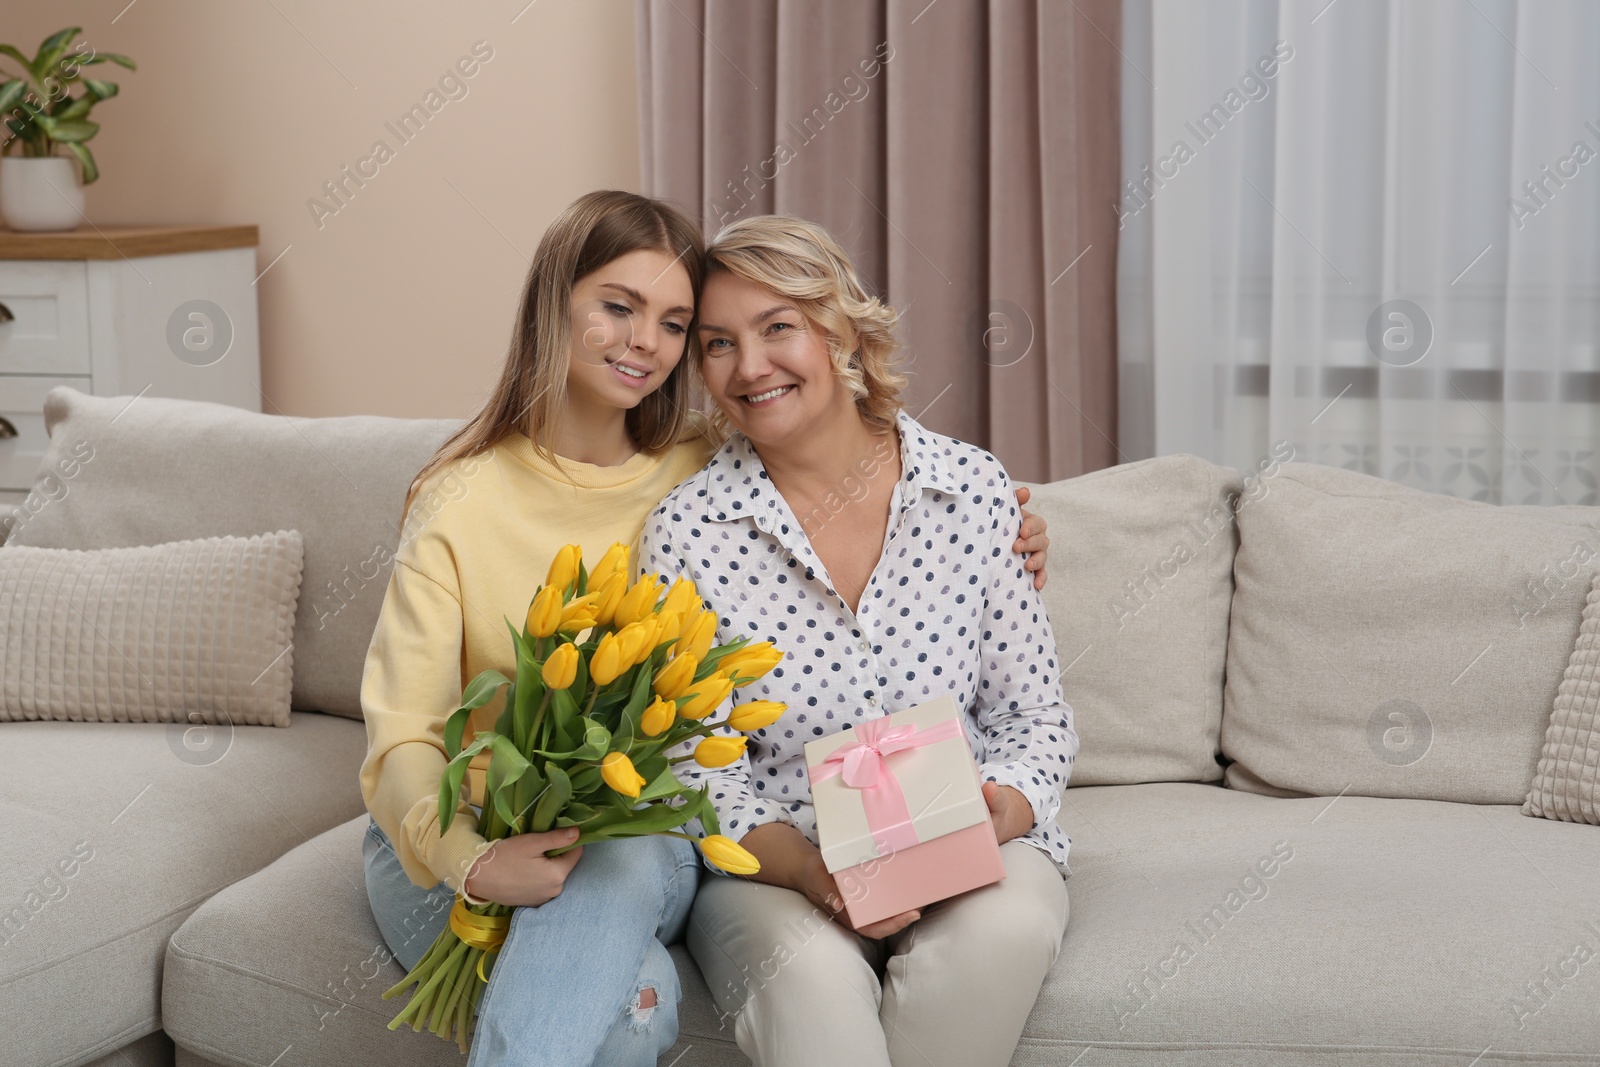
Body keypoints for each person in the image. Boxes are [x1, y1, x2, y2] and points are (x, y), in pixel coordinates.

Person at [358, 190, 1055, 1066]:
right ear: (554, 304)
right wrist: (470, 859)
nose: (646, 341)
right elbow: (404, 737)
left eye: (676, 323)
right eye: (618, 307)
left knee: (621, 887)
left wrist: (1010, 527)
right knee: (637, 1013)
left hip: (624, 843)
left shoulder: (713, 460)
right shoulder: (465, 502)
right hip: (465, 832)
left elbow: (857, 462)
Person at [639, 214, 1078, 1067]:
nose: (751, 366)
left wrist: (1001, 811)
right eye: (719, 343)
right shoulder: (688, 532)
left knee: (1006, 932)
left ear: (839, 330)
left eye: (778, 328)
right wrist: (812, 871)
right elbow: (695, 772)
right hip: (776, 863)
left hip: (968, 836)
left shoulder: (972, 489)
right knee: (809, 989)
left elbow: (1035, 719)